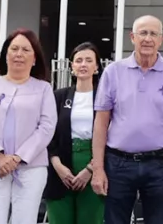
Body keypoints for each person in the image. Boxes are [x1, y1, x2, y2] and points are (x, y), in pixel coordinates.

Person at [91, 15, 163, 224]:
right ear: (132, 37)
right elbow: (101, 124)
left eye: (153, 34)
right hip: (118, 164)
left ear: (161, 39)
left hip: (160, 164)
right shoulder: (113, 72)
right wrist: (98, 169)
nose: (148, 39)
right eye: (143, 33)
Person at [0, 29, 58, 224]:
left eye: (26, 50)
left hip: (31, 168)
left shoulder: (43, 89)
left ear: (34, 58)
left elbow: (46, 127)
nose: (19, 54)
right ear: (5, 55)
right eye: (14, 49)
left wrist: (18, 158)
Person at [45, 44, 106, 224]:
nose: (83, 64)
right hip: (60, 164)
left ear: (96, 67)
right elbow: (47, 133)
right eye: (78, 60)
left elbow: (111, 135)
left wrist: (91, 169)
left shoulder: (104, 98)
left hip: (93, 163)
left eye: (89, 60)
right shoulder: (58, 97)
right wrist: (57, 165)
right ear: (72, 66)